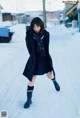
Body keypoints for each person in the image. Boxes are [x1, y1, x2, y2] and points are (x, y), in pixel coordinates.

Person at [23, 17, 60, 109]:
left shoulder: (46, 34)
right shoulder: (29, 36)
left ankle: (54, 81)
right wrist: (34, 57)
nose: (36, 28)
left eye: (37, 26)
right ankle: (29, 99)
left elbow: (47, 47)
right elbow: (29, 49)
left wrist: (47, 59)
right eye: (34, 27)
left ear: (41, 26)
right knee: (32, 80)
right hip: (34, 59)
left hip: (44, 58)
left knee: (50, 75)